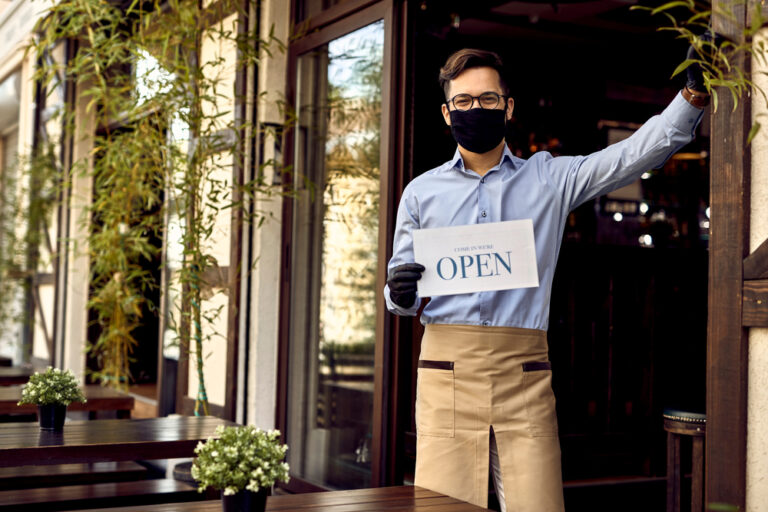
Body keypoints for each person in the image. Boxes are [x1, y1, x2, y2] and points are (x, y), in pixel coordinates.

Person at [384, 48, 708, 512]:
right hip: (446, 376)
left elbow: (631, 156)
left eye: (489, 100)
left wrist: (692, 96)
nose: (476, 110)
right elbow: (401, 291)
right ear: (447, 111)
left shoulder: (549, 178)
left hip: (525, 376)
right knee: (442, 508)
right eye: (464, 102)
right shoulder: (420, 193)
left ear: (508, 107)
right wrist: (398, 292)